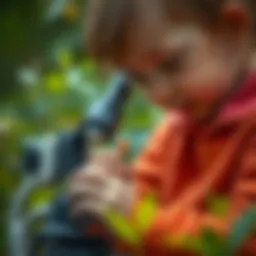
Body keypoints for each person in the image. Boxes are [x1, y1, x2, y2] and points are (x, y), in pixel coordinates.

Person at [69, 0, 256, 255]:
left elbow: (242, 242)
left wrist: (136, 216)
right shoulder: (174, 131)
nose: (160, 93)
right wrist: (106, 201)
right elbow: (140, 227)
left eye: (171, 64)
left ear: (233, 28)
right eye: (141, 79)